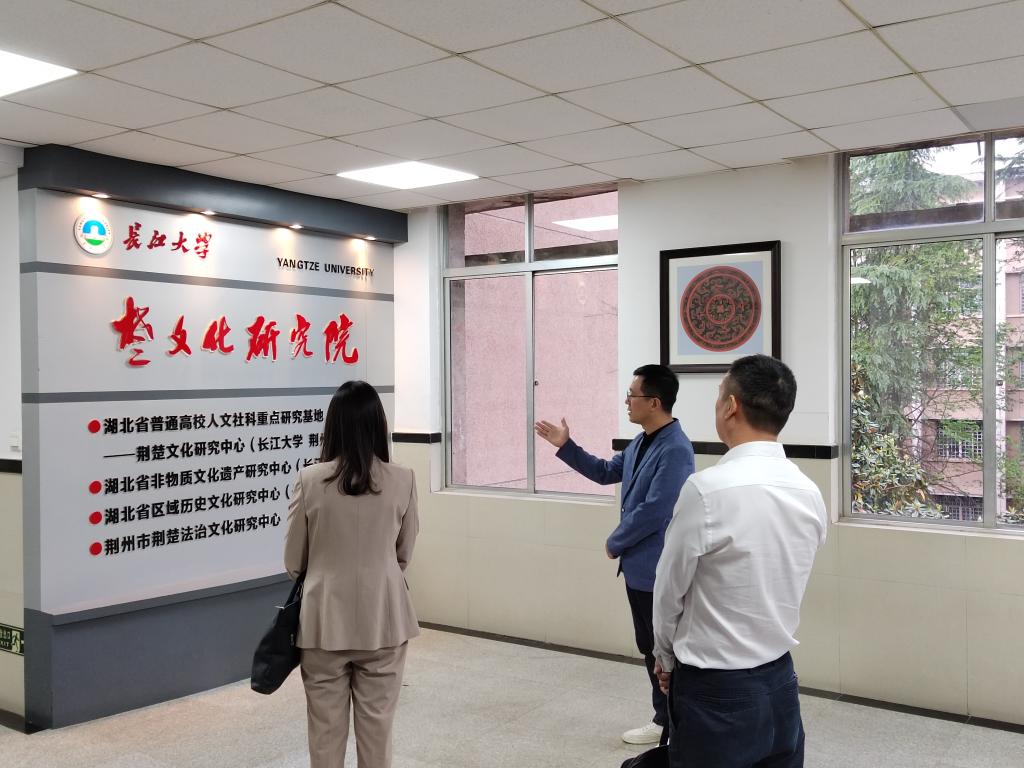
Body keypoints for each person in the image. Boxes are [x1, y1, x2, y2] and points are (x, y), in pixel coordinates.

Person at [652, 354, 828, 768]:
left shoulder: (706, 490)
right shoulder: (808, 492)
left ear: (731, 406)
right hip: (780, 682)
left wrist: (664, 657)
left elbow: (669, 590)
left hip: (715, 690)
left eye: (719, 396)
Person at [535, 363, 694, 745]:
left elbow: (657, 509)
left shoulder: (675, 448)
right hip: (639, 568)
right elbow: (606, 471)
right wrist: (566, 446)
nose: (627, 401)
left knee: (664, 651)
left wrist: (615, 541)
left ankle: (673, 725)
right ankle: (666, 720)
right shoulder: (641, 442)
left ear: (654, 402)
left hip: (658, 569)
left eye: (632, 395)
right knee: (649, 646)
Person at [284, 380, 419, 768]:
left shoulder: (310, 480)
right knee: (377, 732)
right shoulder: (403, 479)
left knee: (325, 735)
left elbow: (294, 561)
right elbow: (404, 553)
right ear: (378, 425)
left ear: (333, 426)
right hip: (384, 619)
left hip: (323, 622)